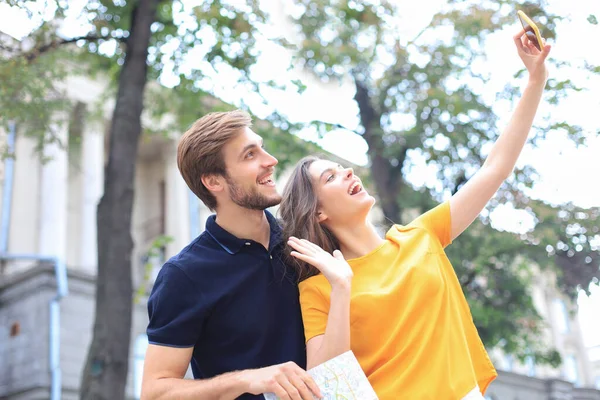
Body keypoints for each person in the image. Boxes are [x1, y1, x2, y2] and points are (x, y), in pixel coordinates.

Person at [278, 29, 551, 400]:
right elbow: (330, 385)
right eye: (330, 176)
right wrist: (341, 288)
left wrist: (536, 79)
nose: (347, 172)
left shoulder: (421, 236)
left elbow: (495, 169)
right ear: (319, 212)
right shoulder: (320, 287)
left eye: (343, 167)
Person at [141, 110, 321, 400]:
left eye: (262, 147)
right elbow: (155, 392)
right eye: (250, 155)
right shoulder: (185, 275)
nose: (270, 160)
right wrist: (247, 379)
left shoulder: (305, 241)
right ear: (214, 182)